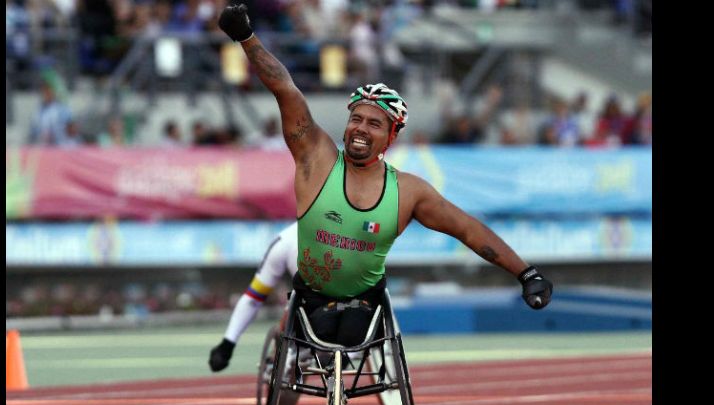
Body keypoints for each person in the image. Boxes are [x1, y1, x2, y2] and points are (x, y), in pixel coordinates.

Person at [216, 4, 553, 347]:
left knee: (351, 330)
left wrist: (525, 273)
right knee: (291, 364)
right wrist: (246, 37)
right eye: (356, 119)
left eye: (374, 124)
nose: (360, 129)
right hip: (309, 298)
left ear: (391, 137)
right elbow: (285, 89)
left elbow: (467, 229)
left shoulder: (408, 192)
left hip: (366, 304)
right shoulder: (315, 158)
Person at [209, 222, 298, 371]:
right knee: (295, 302)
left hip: (347, 316)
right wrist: (228, 344)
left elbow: (253, 299)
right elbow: (254, 297)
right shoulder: (286, 241)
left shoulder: (286, 239)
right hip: (310, 314)